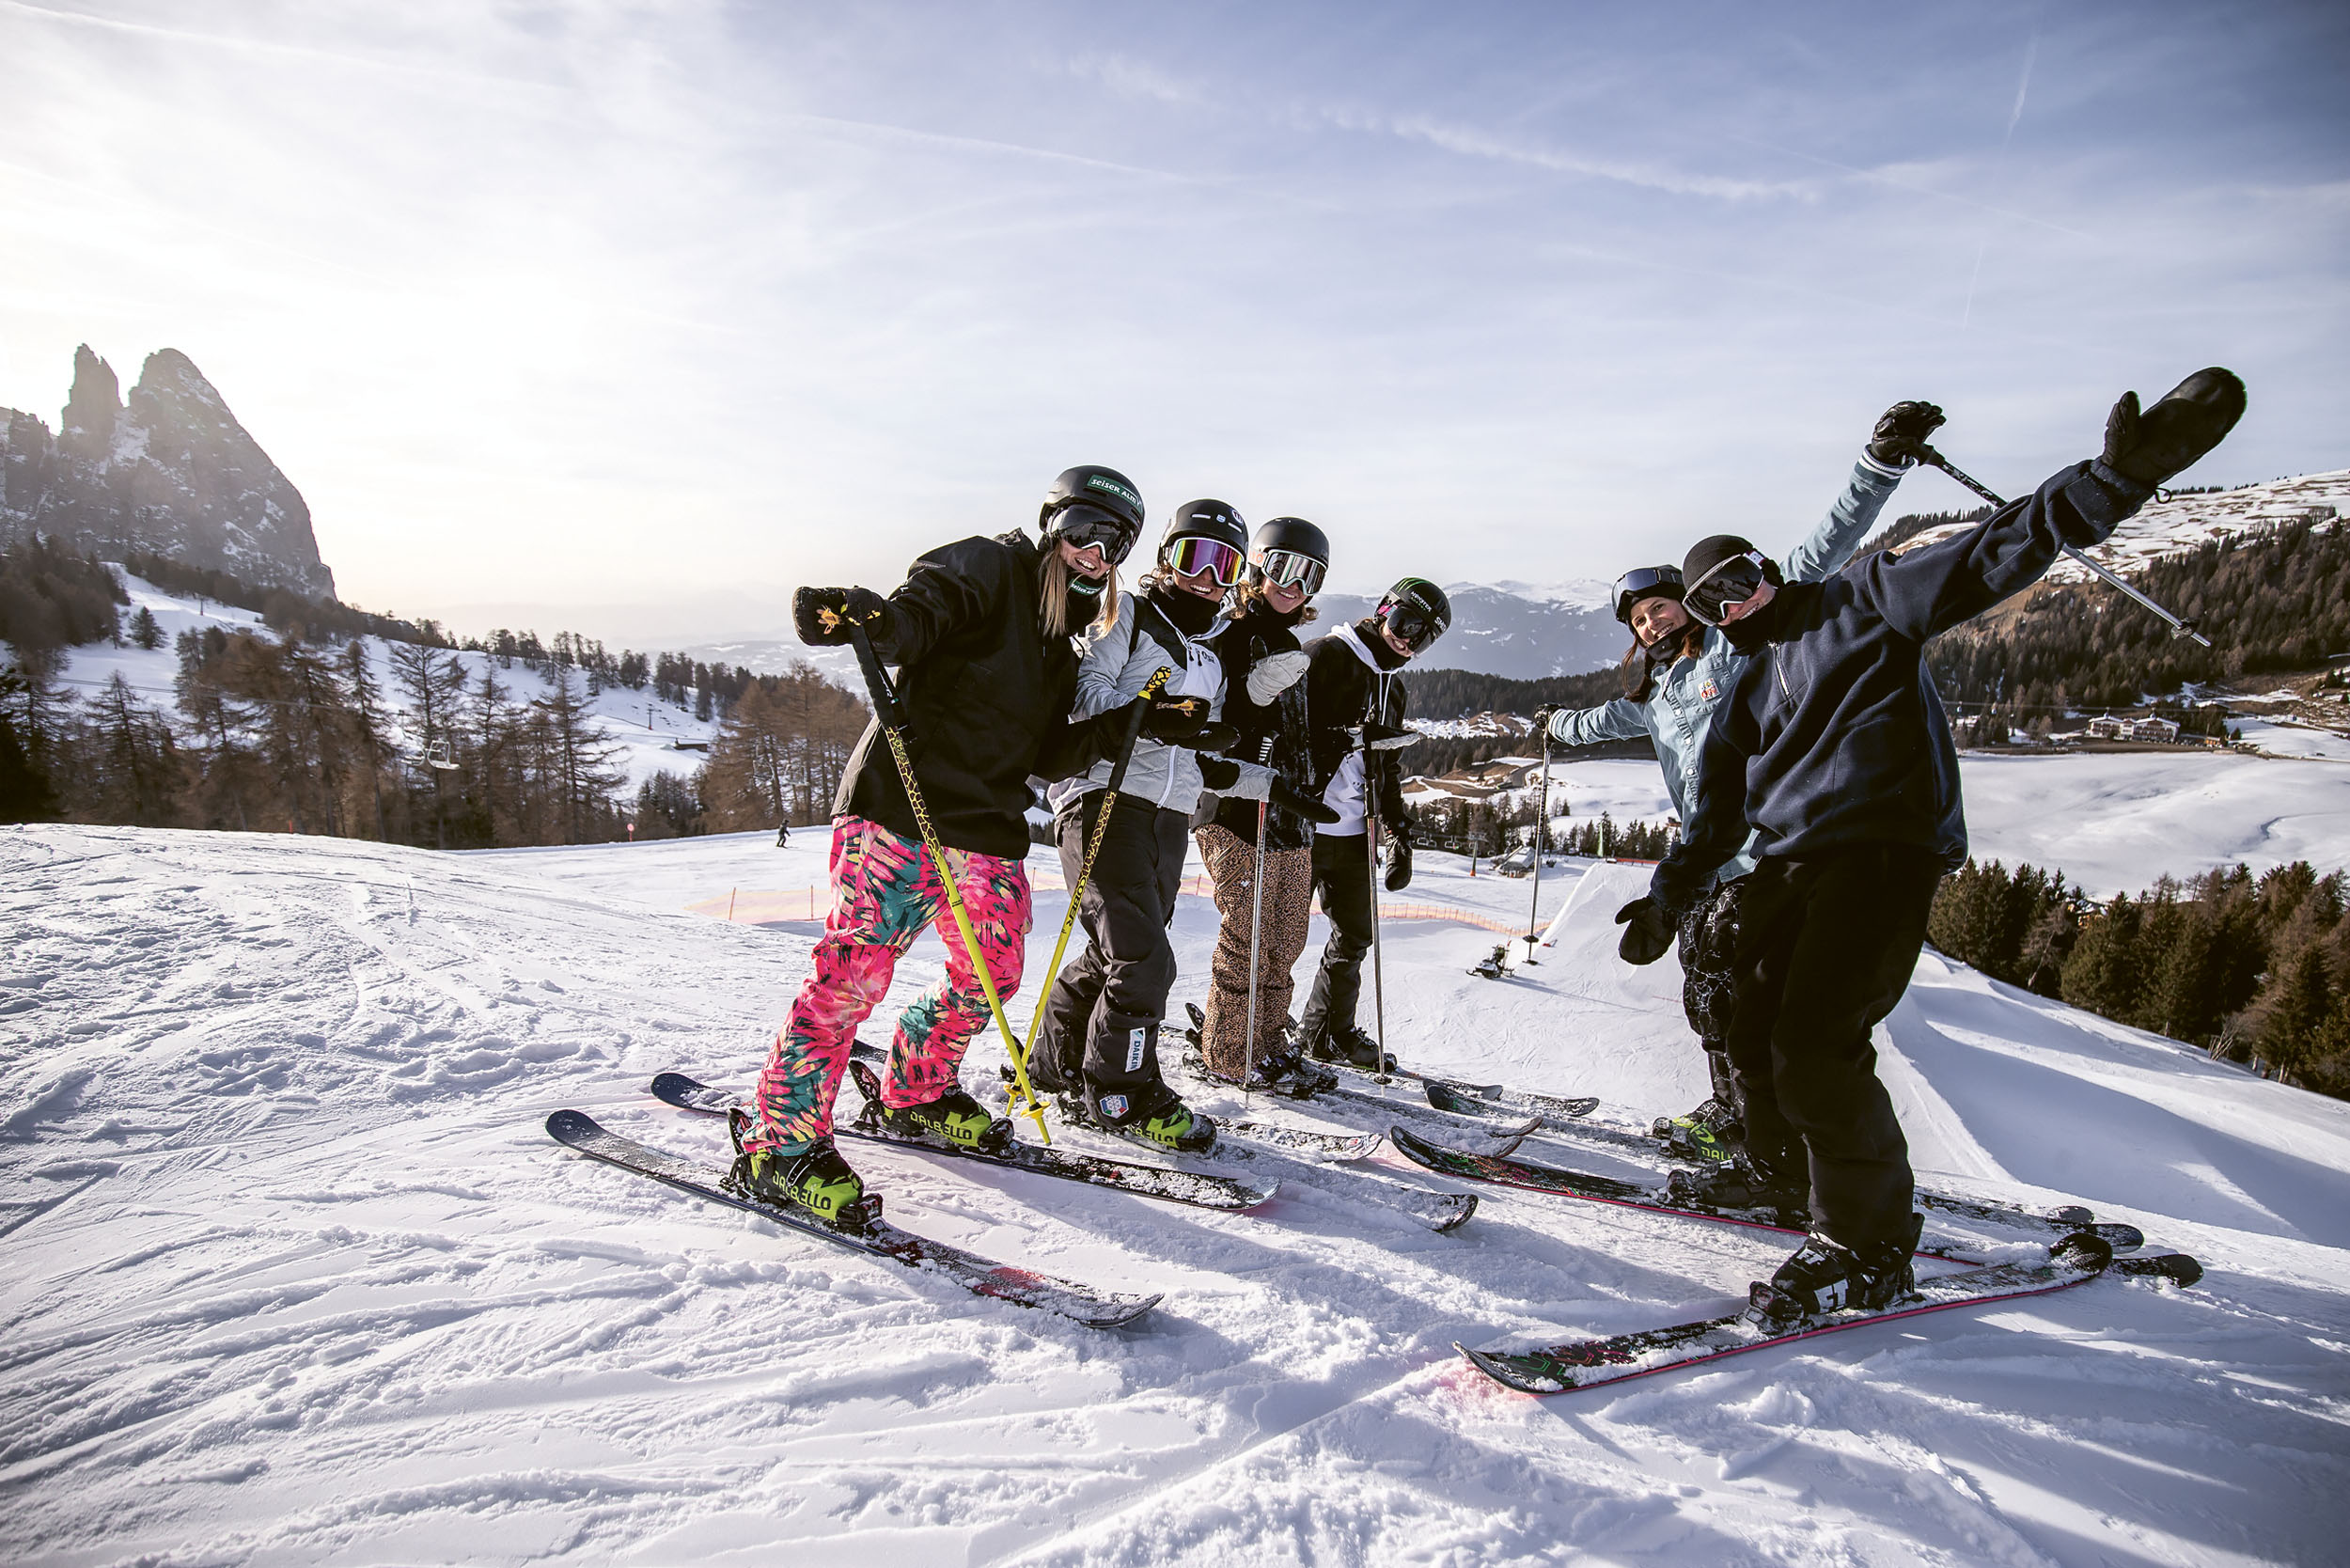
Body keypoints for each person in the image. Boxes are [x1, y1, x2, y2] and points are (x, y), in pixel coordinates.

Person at [1622, 368, 2246, 1323]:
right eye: (1713, 602)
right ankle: (1781, 1172)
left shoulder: (1862, 601)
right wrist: (1668, 899)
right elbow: (1713, 811)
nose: (1733, 604)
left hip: (1877, 850)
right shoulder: (1743, 687)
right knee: (1747, 1026)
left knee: (1815, 1042)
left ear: (1766, 571)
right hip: (1789, 863)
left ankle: (1866, 1246)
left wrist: (2107, 486)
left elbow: (1989, 554)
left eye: (1740, 579)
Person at [729, 463, 1145, 1224]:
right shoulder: (989, 565)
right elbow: (922, 615)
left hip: (984, 823)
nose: (1095, 551)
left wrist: (1135, 723)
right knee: (854, 974)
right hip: (900, 803)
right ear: (1053, 523)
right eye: (1083, 529)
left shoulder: (1066, 636)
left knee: (992, 972)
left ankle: (913, 1090)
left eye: (1114, 541)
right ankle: (779, 1142)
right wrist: (873, 620)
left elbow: (1052, 751)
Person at [1539, 401, 1947, 1160]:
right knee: (1706, 990)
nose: (1650, 626)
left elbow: (1815, 556)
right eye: (1637, 622)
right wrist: (1553, 727)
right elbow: (1600, 725)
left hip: (1763, 857)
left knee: (1742, 995)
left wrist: (1878, 466)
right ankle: (1735, 1108)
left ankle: (1758, 1129)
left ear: (1691, 608)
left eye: (1659, 609)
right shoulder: (1656, 697)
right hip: (1704, 863)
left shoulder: (1733, 655)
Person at [1032, 499, 1256, 1151]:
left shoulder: (1212, 655)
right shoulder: (1125, 614)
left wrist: (1220, 757)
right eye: (1194, 557)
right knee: (1144, 957)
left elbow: (1192, 747)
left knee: (1117, 952)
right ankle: (1120, 1091)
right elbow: (1088, 698)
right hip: (1103, 798)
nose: (1206, 578)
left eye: (1224, 565)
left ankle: (1055, 1063)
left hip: (1168, 816)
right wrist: (1151, 714)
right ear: (1166, 559)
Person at [1192, 517, 1343, 1090]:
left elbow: (1296, 728)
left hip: (1289, 812)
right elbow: (1215, 720)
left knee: (1286, 938)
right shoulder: (1229, 633)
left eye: (1309, 576)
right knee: (1249, 932)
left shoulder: (1289, 643)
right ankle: (1231, 1053)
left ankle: (1267, 1036)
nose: (1293, 584)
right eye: (1281, 567)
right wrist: (1250, 704)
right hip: (1234, 808)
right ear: (1256, 567)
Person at [1297, 577, 1451, 1067]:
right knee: (1275, 938)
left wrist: (1399, 832)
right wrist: (1350, 737)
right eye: (1404, 622)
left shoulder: (1394, 685)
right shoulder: (1325, 655)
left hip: (1352, 833)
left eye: (1421, 636)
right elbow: (1288, 738)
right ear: (1384, 609)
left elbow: (1386, 766)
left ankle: (1326, 1033)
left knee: (1355, 935)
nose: (1407, 639)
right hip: (1301, 825)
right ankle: (1247, 1033)